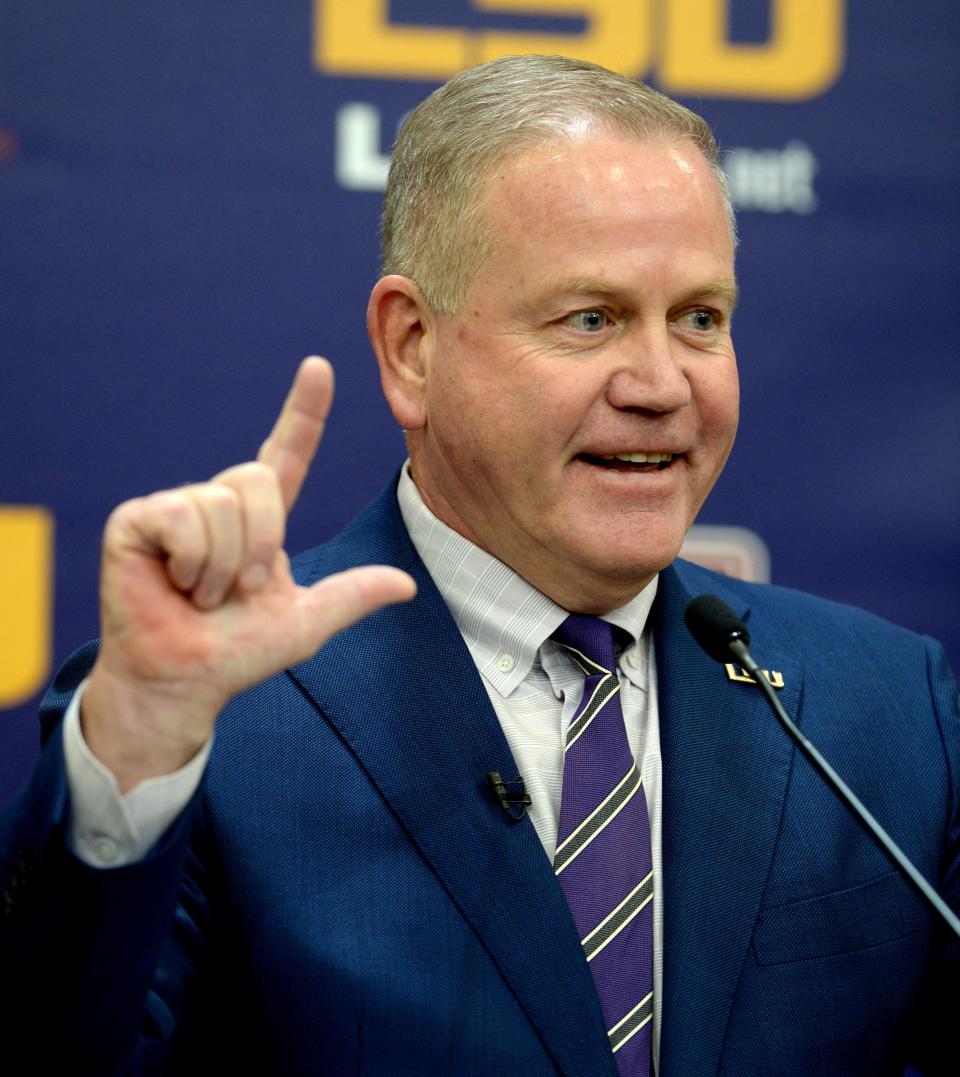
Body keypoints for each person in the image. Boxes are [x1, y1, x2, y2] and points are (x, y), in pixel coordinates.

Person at [1, 55, 958, 1076]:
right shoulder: (213, 724)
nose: (661, 383)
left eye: (700, 318)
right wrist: (144, 749)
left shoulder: (888, 708)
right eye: (589, 318)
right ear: (413, 347)